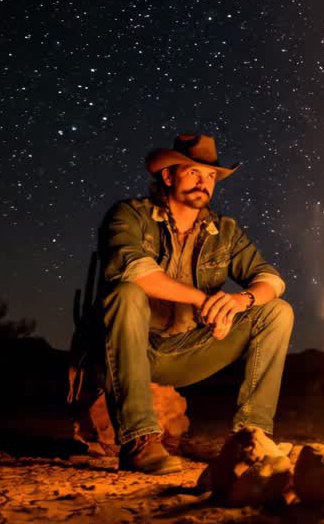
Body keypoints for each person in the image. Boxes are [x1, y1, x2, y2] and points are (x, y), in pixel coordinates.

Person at [95, 133, 294, 474]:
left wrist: (240, 298)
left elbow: (272, 279)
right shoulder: (129, 215)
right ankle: (139, 440)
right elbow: (133, 270)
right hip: (124, 352)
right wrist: (204, 299)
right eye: (193, 172)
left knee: (277, 311)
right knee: (125, 293)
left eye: (211, 176)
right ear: (168, 176)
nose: (203, 182)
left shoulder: (225, 231)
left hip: (185, 351)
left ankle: (253, 436)